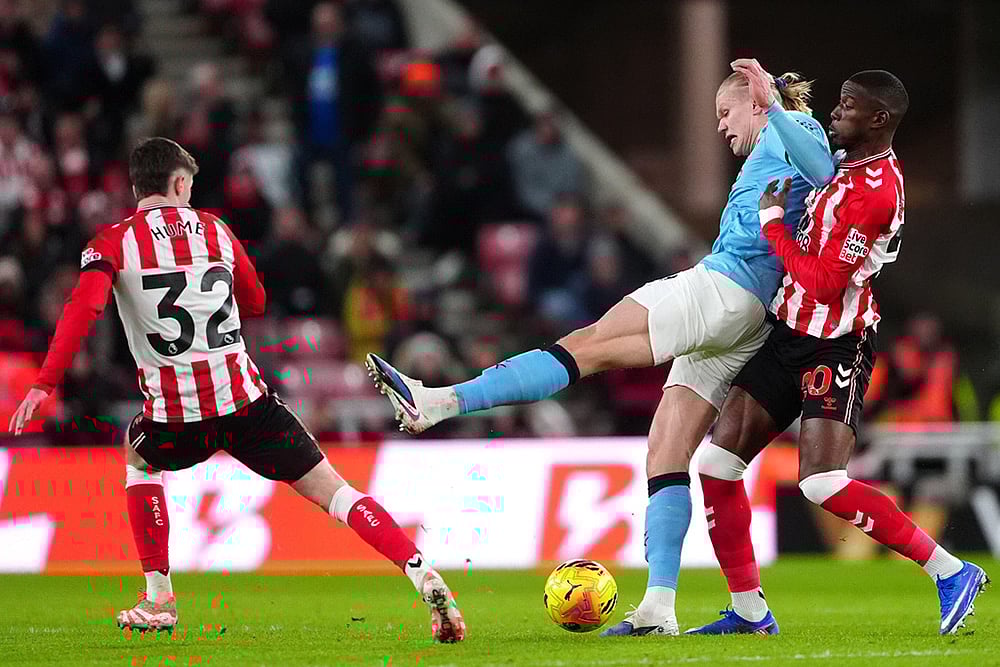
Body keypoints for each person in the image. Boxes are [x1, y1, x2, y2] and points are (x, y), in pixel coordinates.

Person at [368, 63, 835, 635]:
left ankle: (440, 401)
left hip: (722, 289)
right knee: (666, 449)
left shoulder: (797, 128)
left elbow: (824, 168)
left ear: (757, 102)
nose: (720, 127)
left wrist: (776, 105)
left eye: (725, 112)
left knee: (585, 347)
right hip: (745, 314)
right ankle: (661, 608)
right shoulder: (774, 148)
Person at [6, 138, 466, 642]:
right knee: (337, 493)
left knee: (139, 460)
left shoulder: (111, 243)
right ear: (179, 184)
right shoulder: (218, 230)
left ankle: (159, 598)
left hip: (175, 417)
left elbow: (83, 309)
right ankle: (420, 572)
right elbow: (257, 300)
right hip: (248, 406)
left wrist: (46, 382)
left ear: (138, 185)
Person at [688, 64, 989, 637]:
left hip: (836, 345)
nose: (836, 111)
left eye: (848, 106)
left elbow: (827, 283)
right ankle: (750, 611)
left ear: (879, 120)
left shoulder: (876, 192)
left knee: (820, 482)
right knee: (717, 464)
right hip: (789, 334)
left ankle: (951, 572)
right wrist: (771, 96)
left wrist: (774, 226)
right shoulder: (845, 163)